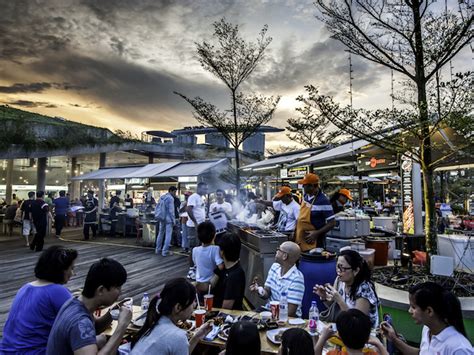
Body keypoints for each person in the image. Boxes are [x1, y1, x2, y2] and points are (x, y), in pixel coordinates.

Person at [0, 246, 77, 354]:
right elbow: (82, 325)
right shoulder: (57, 291)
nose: (73, 274)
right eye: (71, 269)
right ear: (61, 270)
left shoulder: (25, 287)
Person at [46, 258, 132, 355]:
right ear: (101, 290)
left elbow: (96, 326)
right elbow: (84, 326)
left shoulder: (75, 302)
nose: (120, 292)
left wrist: (113, 312)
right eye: (117, 287)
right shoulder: (80, 320)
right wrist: (122, 326)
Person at [381, 282, 473, 354]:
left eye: (413, 307)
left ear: (429, 311)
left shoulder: (459, 348)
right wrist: (394, 339)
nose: (409, 311)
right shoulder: (427, 329)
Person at [131, 278, 212, 354]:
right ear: (178, 307)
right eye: (193, 301)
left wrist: (196, 337)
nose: (195, 305)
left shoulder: (153, 322)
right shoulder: (178, 336)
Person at [313, 249, 379, 328]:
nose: (338, 271)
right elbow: (334, 307)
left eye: (342, 268)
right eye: (337, 267)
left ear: (356, 271)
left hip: (363, 334)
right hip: (344, 328)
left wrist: (339, 299)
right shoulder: (339, 280)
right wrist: (324, 297)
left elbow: (357, 323)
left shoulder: (364, 289)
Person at [250, 241, 305, 317]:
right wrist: (259, 290)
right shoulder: (275, 267)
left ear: (284, 256)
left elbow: (290, 312)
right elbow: (267, 293)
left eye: (279, 250)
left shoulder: (297, 278)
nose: (276, 251)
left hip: (286, 318)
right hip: (270, 311)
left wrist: (271, 318)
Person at [315, 309, 388, 355]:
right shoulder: (372, 353)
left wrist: (323, 338)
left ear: (339, 336)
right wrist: (379, 344)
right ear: (367, 337)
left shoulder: (333, 354)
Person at [295, 173, 335, 251]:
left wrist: (316, 233)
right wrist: (295, 230)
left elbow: (332, 223)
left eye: (305, 185)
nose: (303, 187)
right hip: (301, 238)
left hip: (315, 242)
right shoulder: (306, 197)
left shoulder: (323, 201)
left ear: (312, 186)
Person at [212, 233, 246, 310]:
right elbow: (210, 285)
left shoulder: (235, 275)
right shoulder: (223, 267)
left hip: (226, 317)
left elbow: (226, 308)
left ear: (222, 252)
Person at [192, 221, 224, 293]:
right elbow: (221, 267)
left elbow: (196, 263)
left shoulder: (195, 250)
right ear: (214, 235)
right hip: (210, 284)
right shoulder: (215, 249)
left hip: (199, 283)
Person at [186, 182, 208, 279]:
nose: (205, 191)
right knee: (193, 248)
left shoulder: (200, 198)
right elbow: (189, 209)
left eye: (206, 189)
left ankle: (195, 268)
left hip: (200, 226)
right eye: (204, 189)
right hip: (193, 227)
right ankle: (191, 270)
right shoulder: (193, 197)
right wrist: (195, 222)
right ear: (198, 188)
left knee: (198, 247)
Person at [155, 186, 178, 256]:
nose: (175, 193)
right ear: (171, 191)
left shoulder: (162, 197)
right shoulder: (170, 198)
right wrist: (173, 220)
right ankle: (165, 251)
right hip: (168, 219)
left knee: (160, 233)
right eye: (174, 192)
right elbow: (171, 211)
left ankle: (158, 249)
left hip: (162, 217)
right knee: (168, 235)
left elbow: (157, 206)